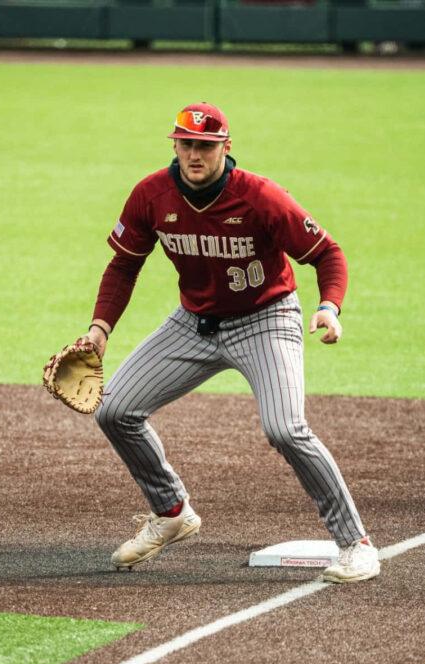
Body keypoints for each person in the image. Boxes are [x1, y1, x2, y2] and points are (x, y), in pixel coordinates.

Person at [78, 102, 379, 583]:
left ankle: (356, 544)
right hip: (193, 322)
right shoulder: (151, 195)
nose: (195, 154)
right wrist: (100, 327)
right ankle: (172, 512)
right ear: (173, 144)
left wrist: (330, 306)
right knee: (114, 410)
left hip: (267, 319)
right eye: (186, 144)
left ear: (225, 147)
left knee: (285, 429)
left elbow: (327, 253)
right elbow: (124, 265)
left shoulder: (261, 197)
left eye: (206, 146)